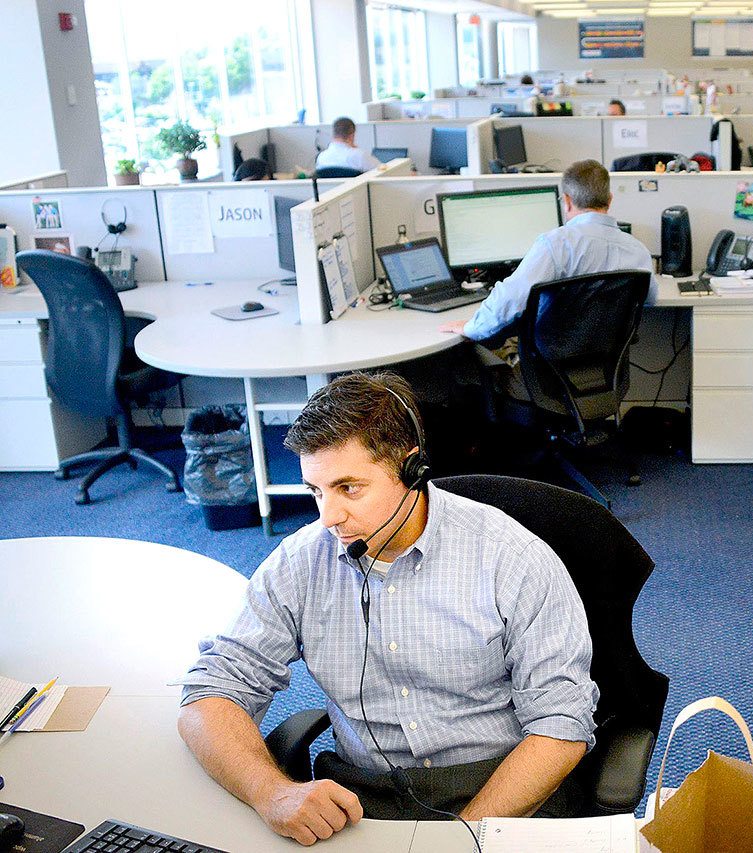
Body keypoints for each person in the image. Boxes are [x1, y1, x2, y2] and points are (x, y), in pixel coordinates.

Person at [177, 371, 598, 845]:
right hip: (363, 800)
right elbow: (210, 693)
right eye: (316, 491)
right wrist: (271, 792)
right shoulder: (301, 561)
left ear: (412, 468)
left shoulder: (511, 557)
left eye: (349, 488)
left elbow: (560, 726)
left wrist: (462, 839)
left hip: (503, 793)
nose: (328, 517)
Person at [440, 159, 657, 343]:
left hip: (551, 365)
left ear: (567, 201)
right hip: (611, 368)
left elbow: (510, 300)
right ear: (609, 200)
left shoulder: (555, 244)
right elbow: (650, 298)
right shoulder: (637, 250)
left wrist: (471, 327)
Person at [315, 117, 379, 173]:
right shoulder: (359, 155)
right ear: (352, 136)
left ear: (334, 134)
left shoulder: (321, 157)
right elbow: (382, 170)